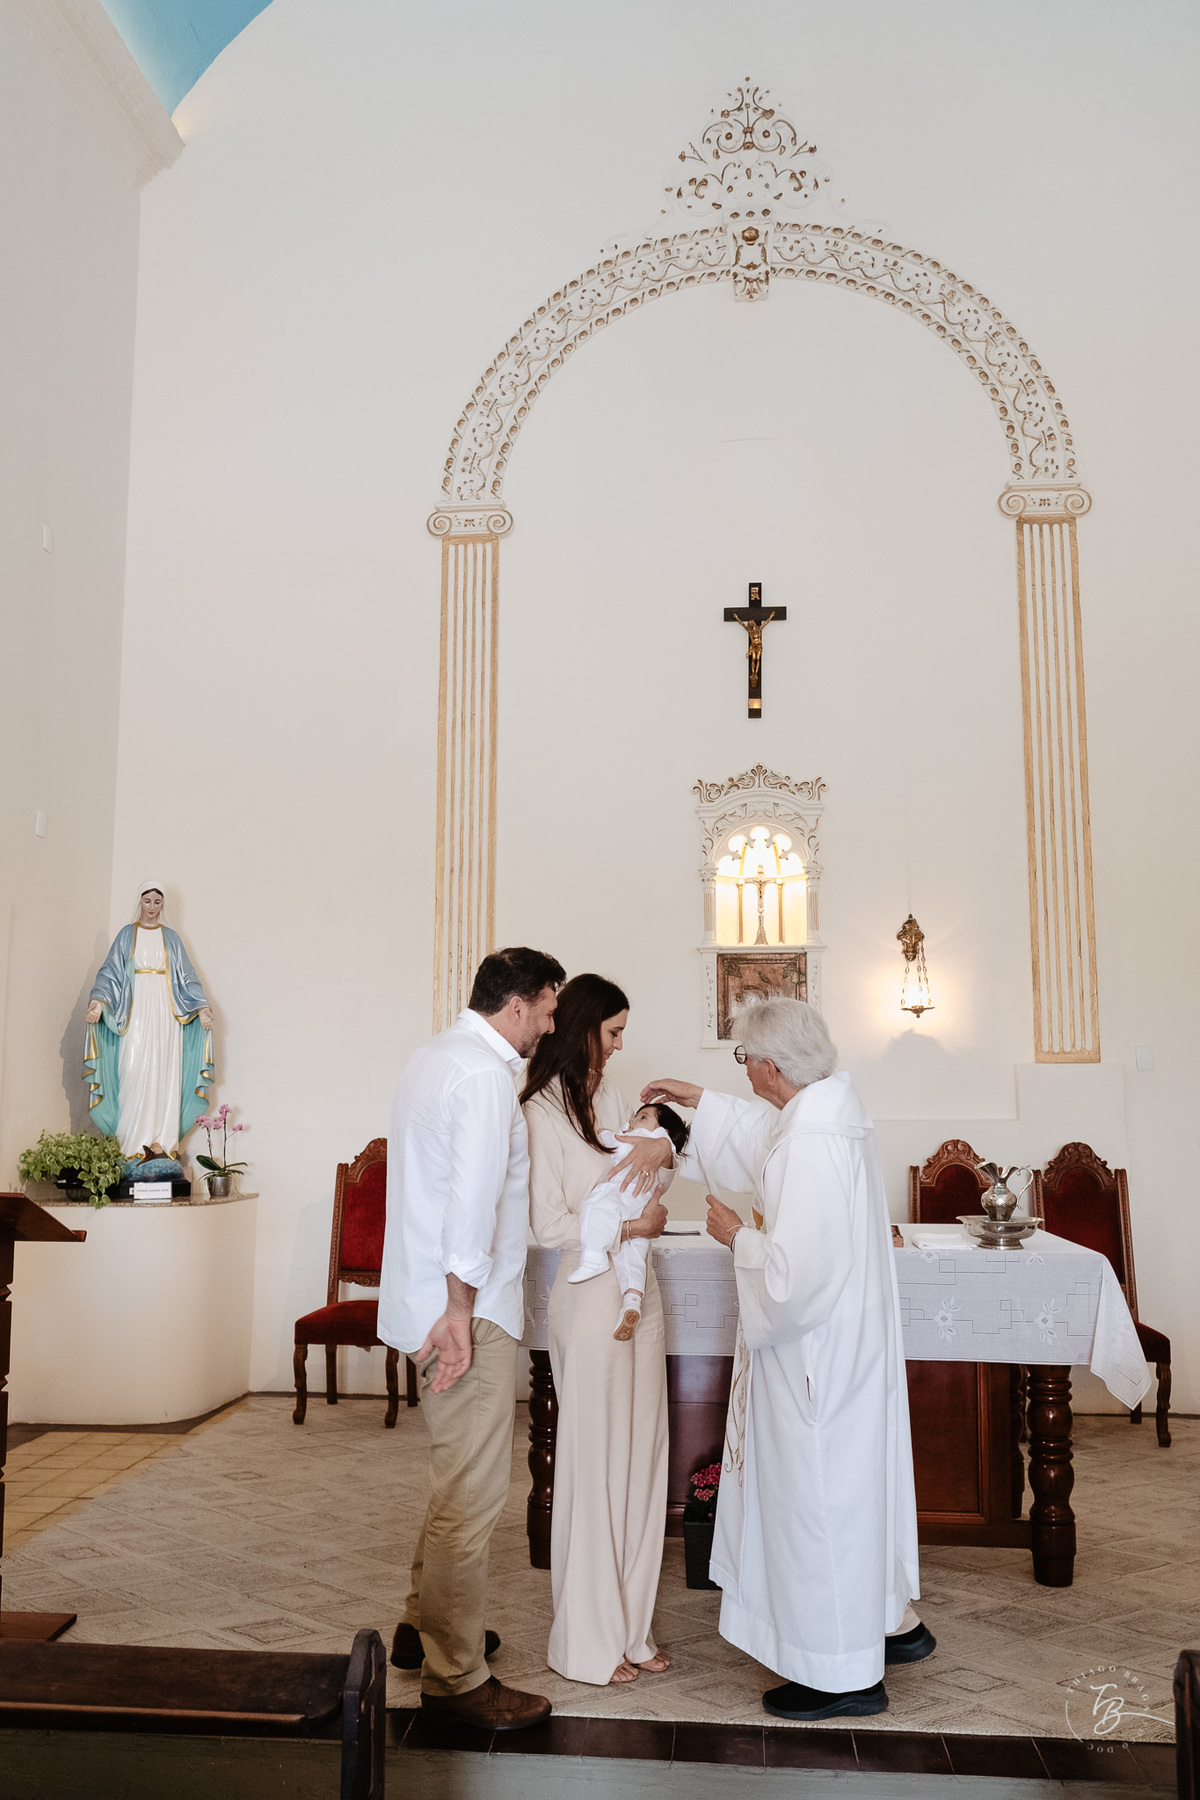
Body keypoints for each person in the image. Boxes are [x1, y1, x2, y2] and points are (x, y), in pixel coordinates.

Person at [646, 997, 932, 1723]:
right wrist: (700, 1099)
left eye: (745, 1060)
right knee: (851, 1494)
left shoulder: (812, 1143)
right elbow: (763, 1138)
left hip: (814, 1359)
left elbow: (793, 1278)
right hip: (846, 1349)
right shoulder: (830, 1113)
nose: (744, 1071)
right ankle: (888, 1622)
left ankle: (841, 1675)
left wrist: (735, 1236)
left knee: (818, 1505)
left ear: (773, 1065)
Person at [378, 945, 566, 1732]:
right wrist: (460, 1313)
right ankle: (456, 1680)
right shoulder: (486, 1076)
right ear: (517, 1004)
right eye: (546, 1012)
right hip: (466, 1313)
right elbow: (472, 1205)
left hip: (427, 1300)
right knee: (472, 1496)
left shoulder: (434, 1055)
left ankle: (420, 1627)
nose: (548, 1027)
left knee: (452, 1478)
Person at [522, 974, 675, 1686]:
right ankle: (585, 1642)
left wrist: (662, 1158)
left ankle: (631, 1629)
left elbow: (649, 1172)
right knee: (595, 1462)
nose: (618, 1046)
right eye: (612, 1033)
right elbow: (549, 1223)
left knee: (643, 1457)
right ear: (583, 1028)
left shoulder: (612, 1098)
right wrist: (631, 1226)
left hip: (640, 1292)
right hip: (587, 1297)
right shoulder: (539, 1110)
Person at [84, 884, 214, 1157]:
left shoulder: (172, 938)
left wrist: (201, 1007)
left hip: (166, 1013)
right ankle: (131, 1144)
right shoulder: (127, 934)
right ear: (140, 902)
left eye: (157, 901)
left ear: (163, 904)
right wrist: (98, 1002)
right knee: (132, 1069)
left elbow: (187, 976)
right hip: (135, 1009)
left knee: (164, 1071)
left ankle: (161, 1142)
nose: (152, 907)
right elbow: (110, 973)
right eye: (147, 901)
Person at [567, 1101, 689, 1341]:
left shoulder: (646, 1140)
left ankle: (594, 1258)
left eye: (642, 1117)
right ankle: (632, 1302)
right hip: (642, 1209)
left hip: (621, 1198)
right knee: (633, 1258)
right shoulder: (665, 1155)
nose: (633, 1120)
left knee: (594, 1207)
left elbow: (615, 1147)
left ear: (662, 1131)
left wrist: (602, 1133)